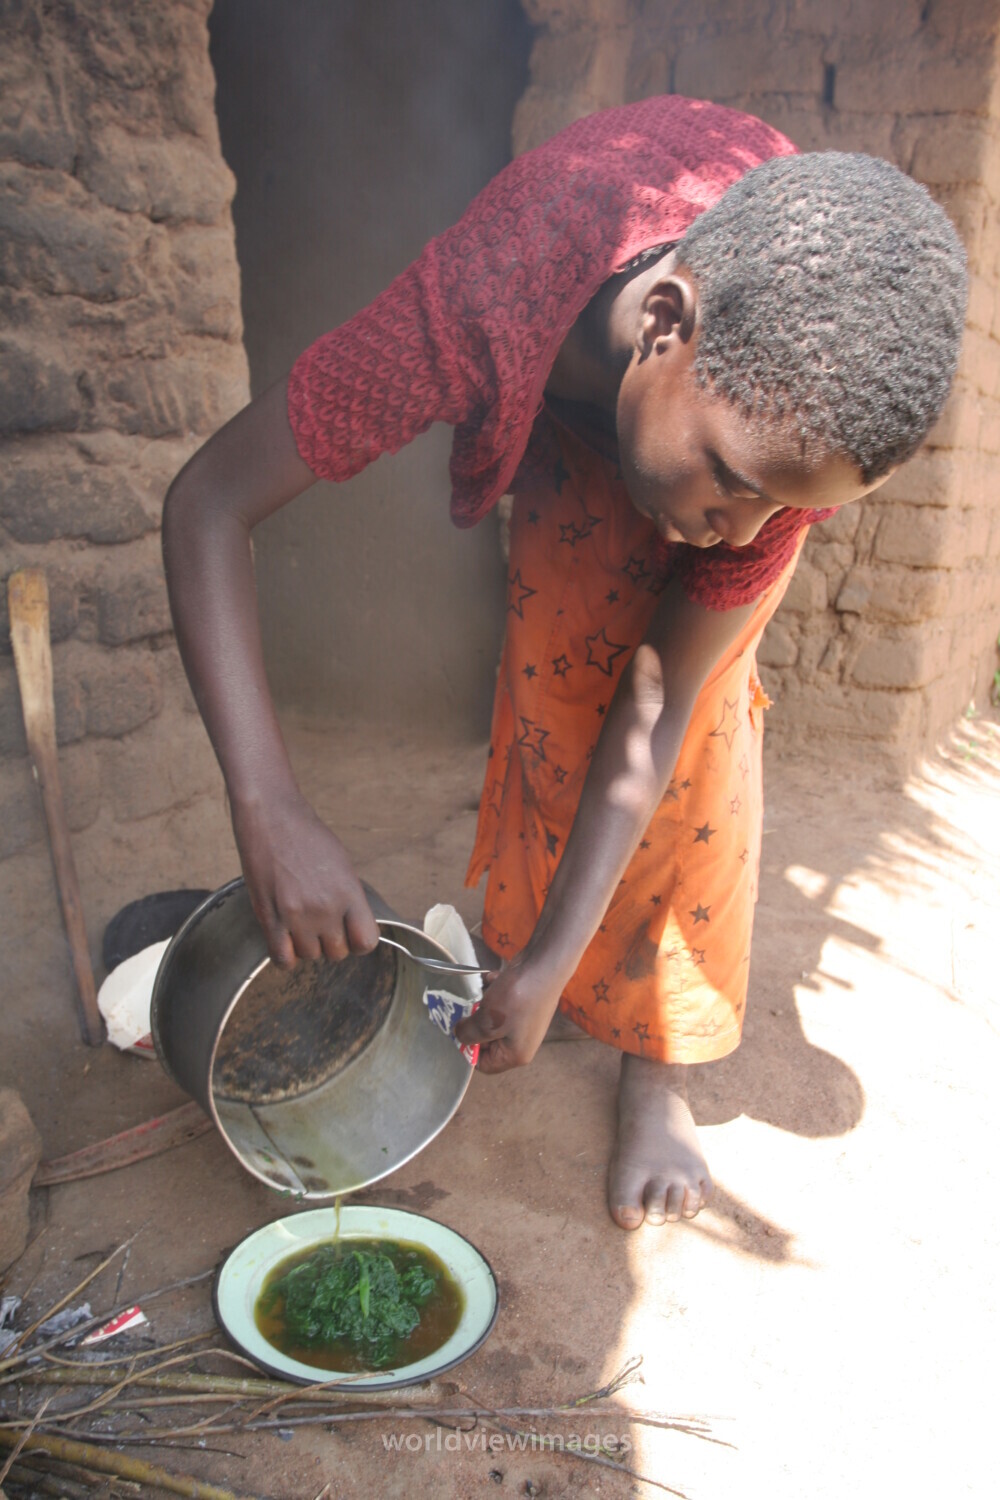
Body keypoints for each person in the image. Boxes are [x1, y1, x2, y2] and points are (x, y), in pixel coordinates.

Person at [162, 95, 967, 1231]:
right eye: (738, 488)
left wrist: (548, 966)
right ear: (664, 325)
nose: (745, 533)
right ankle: (540, 947)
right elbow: (206, 502)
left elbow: (661, 699)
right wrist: (269, 807)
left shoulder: (775, 443)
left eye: (786, 510)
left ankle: (657, 1061)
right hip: (573, 381)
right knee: (559, 676)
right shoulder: (487, 298)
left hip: (678, 406)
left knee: (693, 749)